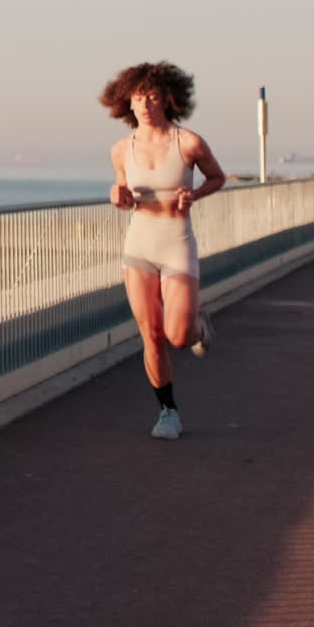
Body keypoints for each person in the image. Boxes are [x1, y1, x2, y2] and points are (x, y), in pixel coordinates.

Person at [99, 61, 225, 440]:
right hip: (139, 247)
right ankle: (168, 412)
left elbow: (217, 177)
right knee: (152, 335)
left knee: (178, 335)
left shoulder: (188, 143)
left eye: (153, 97)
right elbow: (125, 196)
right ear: (128, 103)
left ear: (167, 99)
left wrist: (194, 195)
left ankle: (200, 328)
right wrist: (118, 198)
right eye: (139, 98)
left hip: (177, 245)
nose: (146, 104)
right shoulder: (121, 150)